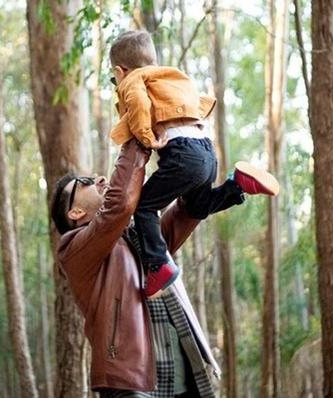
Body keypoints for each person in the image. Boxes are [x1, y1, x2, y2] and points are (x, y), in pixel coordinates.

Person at [50, 138, 277, 397]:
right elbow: (121, 204)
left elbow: (182, 216)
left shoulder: (134, 236)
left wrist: (206, 172)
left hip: (179, 370)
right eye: (87, 183)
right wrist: (137, 139)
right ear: (75, 213)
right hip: (129, 381)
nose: (100, 179)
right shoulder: (73, 251)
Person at [108, 30, 280, 298]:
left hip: (182, 155)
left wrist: (146, 136)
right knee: (197, 207)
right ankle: (236, 185)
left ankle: (158, 265)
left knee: (144, 206)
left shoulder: (134, 79)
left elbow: (138, 103)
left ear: (121, 71)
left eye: (113, 78)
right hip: (206, 150)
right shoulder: (173, 78)